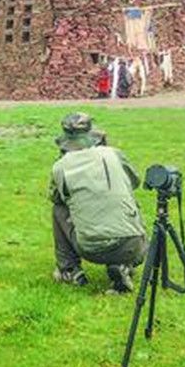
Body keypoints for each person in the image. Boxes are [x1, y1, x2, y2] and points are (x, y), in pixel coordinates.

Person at [49, 113, 147, 293]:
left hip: (92, 248)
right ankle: (123, 265)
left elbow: (57, 198)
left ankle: (69, 270)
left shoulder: (60, 167)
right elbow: (134, 182)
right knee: (128, 200)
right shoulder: (113, 154)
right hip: (132, 245)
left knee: (59, 209)